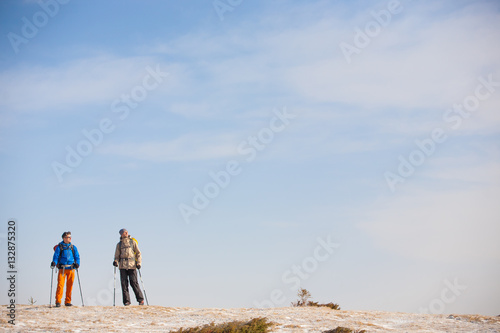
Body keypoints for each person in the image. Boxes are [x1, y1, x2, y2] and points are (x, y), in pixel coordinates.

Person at [113, 228, 144, 306]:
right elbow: (116, 256)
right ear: (121, 234)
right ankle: (127, 301)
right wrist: (116, 262)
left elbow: (138, 253)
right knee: (124, 284)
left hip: (132, 265)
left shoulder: (133, 242)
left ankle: (140, 300)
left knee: (134, 282)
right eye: (123, 233)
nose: (125, 233)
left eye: (126, 232)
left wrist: (139, 263)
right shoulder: (119, 244)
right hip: (122, 266)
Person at [51, 231, 80, 307]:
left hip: (71, 268)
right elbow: (56, 256)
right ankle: (58, 301)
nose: (70, 238)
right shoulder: (59, 247)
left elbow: (77, 256)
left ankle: (68, 301)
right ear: (64, 238)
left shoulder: (73, 247)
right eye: (68, 237)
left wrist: (77, 264)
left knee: (70, 286)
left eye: (70, 237)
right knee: (60, 285)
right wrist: (54, 262)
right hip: (62, 269)